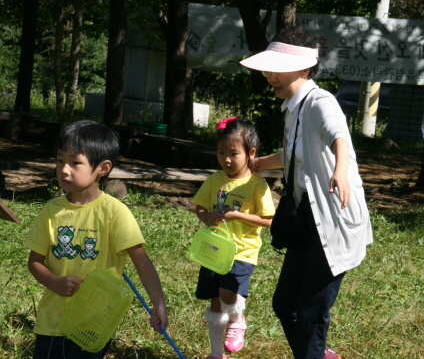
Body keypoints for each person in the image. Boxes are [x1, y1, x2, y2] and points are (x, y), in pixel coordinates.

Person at [240, 26, 373, 359]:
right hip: (305, 221)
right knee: (285, 305)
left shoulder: (319, 102)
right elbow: (293, 153)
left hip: (333, 222)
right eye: (268, 69)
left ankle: (314, 352)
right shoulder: (293, 107)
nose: (270, 76)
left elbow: (339, 136)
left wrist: (340, 171)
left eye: (276, 69)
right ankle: (317, 353)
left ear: (302, 67)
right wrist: (259, 165)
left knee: (310, 312)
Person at [24, 120, 168, 359]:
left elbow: (141, 262)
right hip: (52, 324)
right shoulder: (51, 210)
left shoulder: (114, 212)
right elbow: (34, 261)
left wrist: (159, 304)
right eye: (60, 160)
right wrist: (54, 282)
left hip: (94, 325)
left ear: (103, 168)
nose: (64, 169)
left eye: (75, 162)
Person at [193, 117, 276, 359]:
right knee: (215, 302)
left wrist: (238, 216)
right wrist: (206, 216)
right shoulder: (215, 180)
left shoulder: (256, 185)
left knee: (228, 292)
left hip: (242, 251)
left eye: (233, 153)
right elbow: (199, 207)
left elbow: (269, 220)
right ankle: (217, 352)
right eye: (220, 152)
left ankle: (238, 319)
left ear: (250, 153)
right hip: (213, 250)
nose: (226, 159)